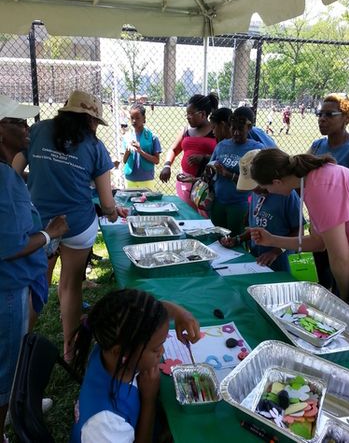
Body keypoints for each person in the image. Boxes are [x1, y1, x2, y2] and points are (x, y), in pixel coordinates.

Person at [13, 90, 128, 360]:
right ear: (91, 121)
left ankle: (17, 348)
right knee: (70, 286)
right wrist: (111, 213)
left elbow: (14, 174)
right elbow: (107, 201)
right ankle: (70, 350)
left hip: (39, 225)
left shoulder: (38, 131)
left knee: (36, 285)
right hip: (78, 226)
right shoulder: (95, 147)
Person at [0, 95, 68, 440]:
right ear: (0, 131)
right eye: (18, 123)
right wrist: (49, 232)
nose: (28, 129)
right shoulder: (3, 179)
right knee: (7, 363)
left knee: (15, 355)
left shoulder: (8, 173)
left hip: (16, 286)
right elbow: (9, 245)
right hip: (8, 290)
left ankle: (17, 402)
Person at [70, 289, 200, 443]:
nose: (162, 351)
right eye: (156, 348)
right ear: (121, 352)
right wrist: (149, 399)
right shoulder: (106, 424)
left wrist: (180, 314)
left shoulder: (109, 347)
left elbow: (154, 311)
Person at [248, 148, 349, 303]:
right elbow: (319, 243)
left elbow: (340, 258)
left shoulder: (319, 188)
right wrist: (272, 240)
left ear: (276, 182)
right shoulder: (311, 181)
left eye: (266, 188)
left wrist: (344, 302)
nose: (267, 192)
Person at [220, 150, 302, 272]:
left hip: (280, 262)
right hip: (257, 260)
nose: (254, 190)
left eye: (256, 186)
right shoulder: (257, 193)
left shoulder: (286, 194)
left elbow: (298, 231)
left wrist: (275, 252)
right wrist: (238, 239)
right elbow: (255, 227)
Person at [308, 93, 349, 291]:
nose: (322, 119)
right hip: (320, 228)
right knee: (322, 280)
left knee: (341, 280)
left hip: (343, 231)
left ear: (346, 118)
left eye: (329, 114)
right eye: (319, 113)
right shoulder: (317, 146)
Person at [208, 107, 265, 234]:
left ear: (249, 128)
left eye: (240, 129)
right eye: (233, 128)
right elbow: (210, 168)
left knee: (236, 240)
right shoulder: (222, 145)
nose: (236, 133)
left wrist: (228, 174)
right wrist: (209, 172)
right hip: (218, 202)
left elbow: (255, 182)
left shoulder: (256, 149)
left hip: (240, 204)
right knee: (217, 238)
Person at [159, 93, 218, 208]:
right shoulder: (186, 130)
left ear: (203, 114)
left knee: (203, 219)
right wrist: (167, 166)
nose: (188, 117)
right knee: (187, 215)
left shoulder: (215, 131)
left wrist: (205, 158)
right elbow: (173, 149)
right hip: (185, 182)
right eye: (187, 114)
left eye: (191, 114)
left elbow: (222, 156)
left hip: (206, 184)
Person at [123, 103, 161, 191]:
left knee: (147, 203)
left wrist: (140, 151)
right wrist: (128, 151)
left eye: (137, 118)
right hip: (130, 178)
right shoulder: (126, 137)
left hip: (146, 179)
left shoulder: (152, 137)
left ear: (144, 119)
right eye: (132, 118)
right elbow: (124, 161)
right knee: (130, 203)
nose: (134, 121)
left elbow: (156, 160)